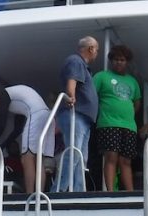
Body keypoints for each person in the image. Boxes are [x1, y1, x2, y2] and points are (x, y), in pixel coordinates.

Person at [92, 45, 141, 192]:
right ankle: (111, 192)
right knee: (111, 157)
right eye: (116, 60)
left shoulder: (133, 81)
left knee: (126, 160)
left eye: (122, 60)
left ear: (127, 62)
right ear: (111, 61)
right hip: (108, 123)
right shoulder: (101, 76)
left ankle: (130, 192)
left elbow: (137, 102)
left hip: (129, 126)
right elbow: (91, 96)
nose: (119, 62)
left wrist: (127, 113)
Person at [54, 36, 99, 192]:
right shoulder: (76, 60)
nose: (96, 53)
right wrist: (71, 96)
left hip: (84, 118)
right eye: (96, 49)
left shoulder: (82, 65)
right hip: (75, 114)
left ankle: (79, 190)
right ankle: (58, 190)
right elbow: (72, 80)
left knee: (81, 157)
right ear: (91, 48)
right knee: (73, 153)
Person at [0, 85, 55, 194]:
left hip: (36, 115)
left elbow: (1, 124)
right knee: (39, 160)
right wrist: (2, 146)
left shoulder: (4, 95)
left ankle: (29, 195)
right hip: (47, 115)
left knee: (27, 158)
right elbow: (17, 129)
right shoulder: (17, 99)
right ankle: (38, 195)